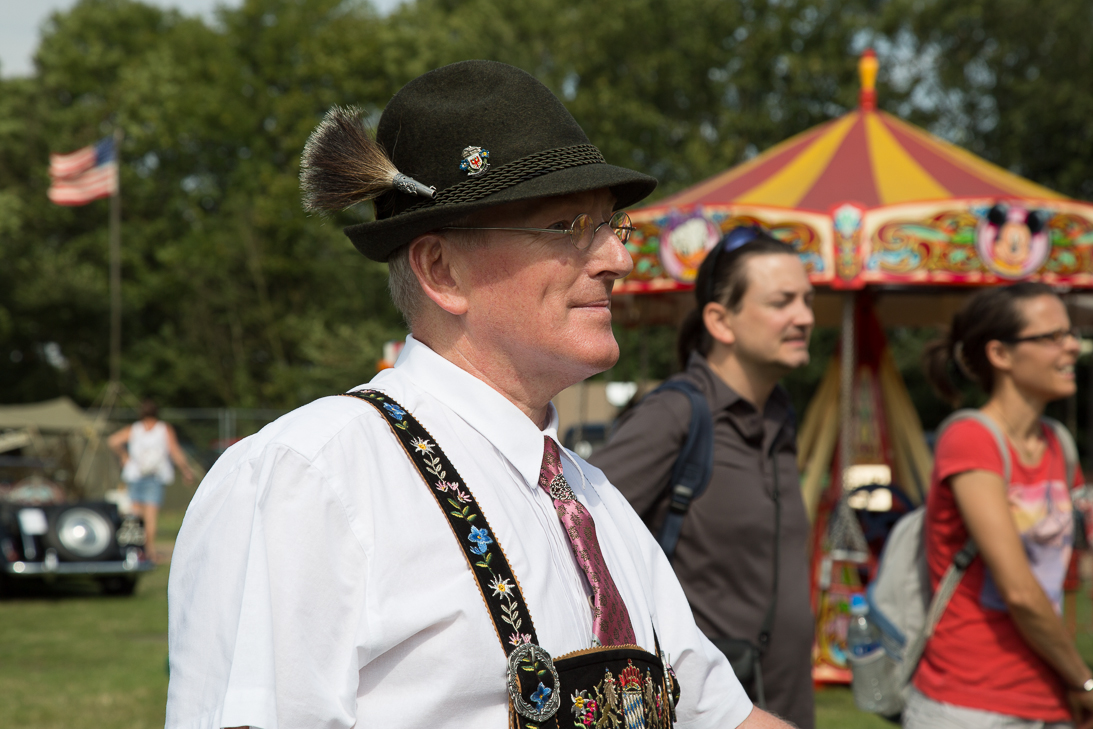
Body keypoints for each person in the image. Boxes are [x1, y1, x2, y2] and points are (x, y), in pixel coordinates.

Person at [165, 61, 793, 729]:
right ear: (441, 271)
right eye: (569, 225)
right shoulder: (311, 478)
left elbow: (719, 717)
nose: (617, 258)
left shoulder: (595, 499)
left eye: (614, 225)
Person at [590, 226, 816, 728]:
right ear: (720, 320)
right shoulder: (675, 415)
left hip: (782, 709)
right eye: (782, 302)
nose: (804, 317)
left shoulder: (778, 415)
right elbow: (575, 536)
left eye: (807, 300)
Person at [907, 282, 1090, 728]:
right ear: (1000, 354)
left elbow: (1073, 572)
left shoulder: (1058, 444)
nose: (1073, 346)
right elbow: (1020, 591)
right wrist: (1084, 680)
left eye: (1071, 334)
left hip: (1047, 696)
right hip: (970, 705)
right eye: (1053, 336)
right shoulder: (970, 439)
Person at [108, 399, 194, 561]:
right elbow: (175, 451)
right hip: (154, 476)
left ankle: (135, 550)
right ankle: (150, 552)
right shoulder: (163, 429)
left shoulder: (134, 429)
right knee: (150, 517)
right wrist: (186, 470)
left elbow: (113, 441)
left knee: (135, 515)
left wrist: (124, 455)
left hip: (135, 475)